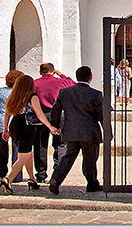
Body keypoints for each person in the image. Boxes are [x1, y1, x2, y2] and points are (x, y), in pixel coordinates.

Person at [48, 66, 104, 195]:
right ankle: (92, 183)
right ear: (91, 77)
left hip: (71, 130)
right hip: (90, 132)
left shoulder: (64, 92)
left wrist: (55, 125)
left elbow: (55, 110)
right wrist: (107, 130)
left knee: (69, 156)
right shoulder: (95, 94)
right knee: (90, 158)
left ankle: (56, 178)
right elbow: (101, 115)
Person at [1, 74, 60, 195]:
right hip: (26, 127)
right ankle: (8, 179)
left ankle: (32, 179)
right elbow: (39, 114)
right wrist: (50, 127)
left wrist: (5, 129)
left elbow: (7, 113)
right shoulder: (32, 97)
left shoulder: (13, 96)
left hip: (15, 125)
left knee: (28, 153)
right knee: (23, 156)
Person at [32, 63, 75, 183]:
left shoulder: (35, 83)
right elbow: (72, 83)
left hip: (40, 115)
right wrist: (61, 74)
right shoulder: (61, 82)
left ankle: (41, 174)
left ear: (40, 72)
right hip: (58, 114)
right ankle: (57, 174)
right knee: (60, 144)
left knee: (40, 145)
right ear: (53, 71)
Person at [0, 69, 23, 188]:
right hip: (16, 122)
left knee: (2, 148)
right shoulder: (19, 92)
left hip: (0, 121)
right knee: (16, 149)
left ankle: (2, 173)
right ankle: (16, 175)